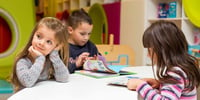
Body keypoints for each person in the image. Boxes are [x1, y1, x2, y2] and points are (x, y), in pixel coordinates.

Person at [127, 20, 200, 100]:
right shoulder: (183, 68)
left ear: (163, 50)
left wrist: (140, 85)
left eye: (150, 51)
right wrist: (160, 84)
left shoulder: (176, 73)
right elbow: (180, 90)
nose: (148, 55)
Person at [11, 17, 70, 92]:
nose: (41, 43)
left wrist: (54, 54)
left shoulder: (51, 61)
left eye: (49, 42)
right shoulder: (23, 61)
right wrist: (40, 58)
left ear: (56, 46)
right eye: (39, 36)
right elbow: (28, 82)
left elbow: (64, 79)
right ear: (33, 35)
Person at [64, 8, 101, 73]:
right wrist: (76, 64)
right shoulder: (62, 48)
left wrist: (95, 62)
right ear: (70, 30)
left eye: (89, 34)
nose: (86, 38)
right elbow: (58, 71)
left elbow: (101, 62)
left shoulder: (90, 46)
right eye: (82, 34)